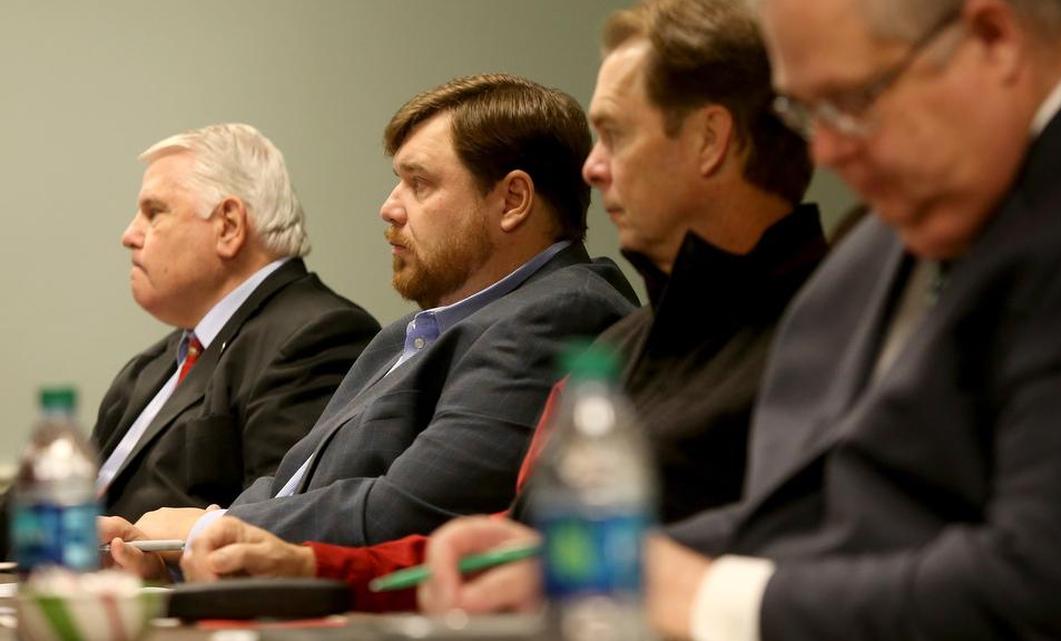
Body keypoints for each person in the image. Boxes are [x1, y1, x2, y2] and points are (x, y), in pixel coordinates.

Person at [416, 1, 1061, 639]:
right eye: (804, 112)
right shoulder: (890, 231)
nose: (823, 150)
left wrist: (709, 597)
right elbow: (828, 510)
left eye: (854, 99)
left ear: (993, 37)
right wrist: (593, 564)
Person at [175, 0, 828, 610]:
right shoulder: (628, 344)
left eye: (615, 135)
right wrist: (313, 564)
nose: (594, 170)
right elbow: (515, 549)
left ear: (711, 139)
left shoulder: (829, 327)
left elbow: (804, 563)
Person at [101, 74, 639, 574]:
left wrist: (203, 531)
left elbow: (412, 509)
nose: (388, 208)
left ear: (512, 200)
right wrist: (171, 558)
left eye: (419, 184)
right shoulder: (403, 337)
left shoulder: (561, 312)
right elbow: (289, 484)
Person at [97, 123, 380, 522]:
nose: (130, 235)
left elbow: (282, 523)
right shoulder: (154, 364)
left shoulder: (317, 336)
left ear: (229, 226)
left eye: (154, 212)